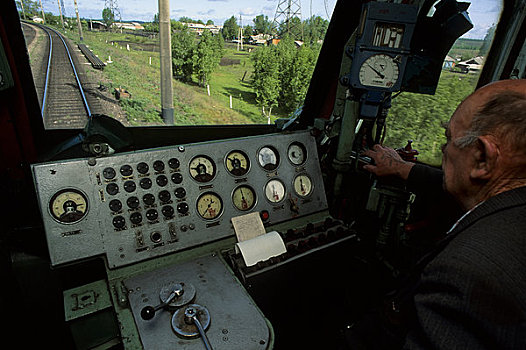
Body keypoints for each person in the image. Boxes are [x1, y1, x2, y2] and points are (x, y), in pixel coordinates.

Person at [362, 79, 526, 349]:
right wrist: (403, 169)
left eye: (449, 139)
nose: (443, 150)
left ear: (483, 159)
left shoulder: (466, 274)